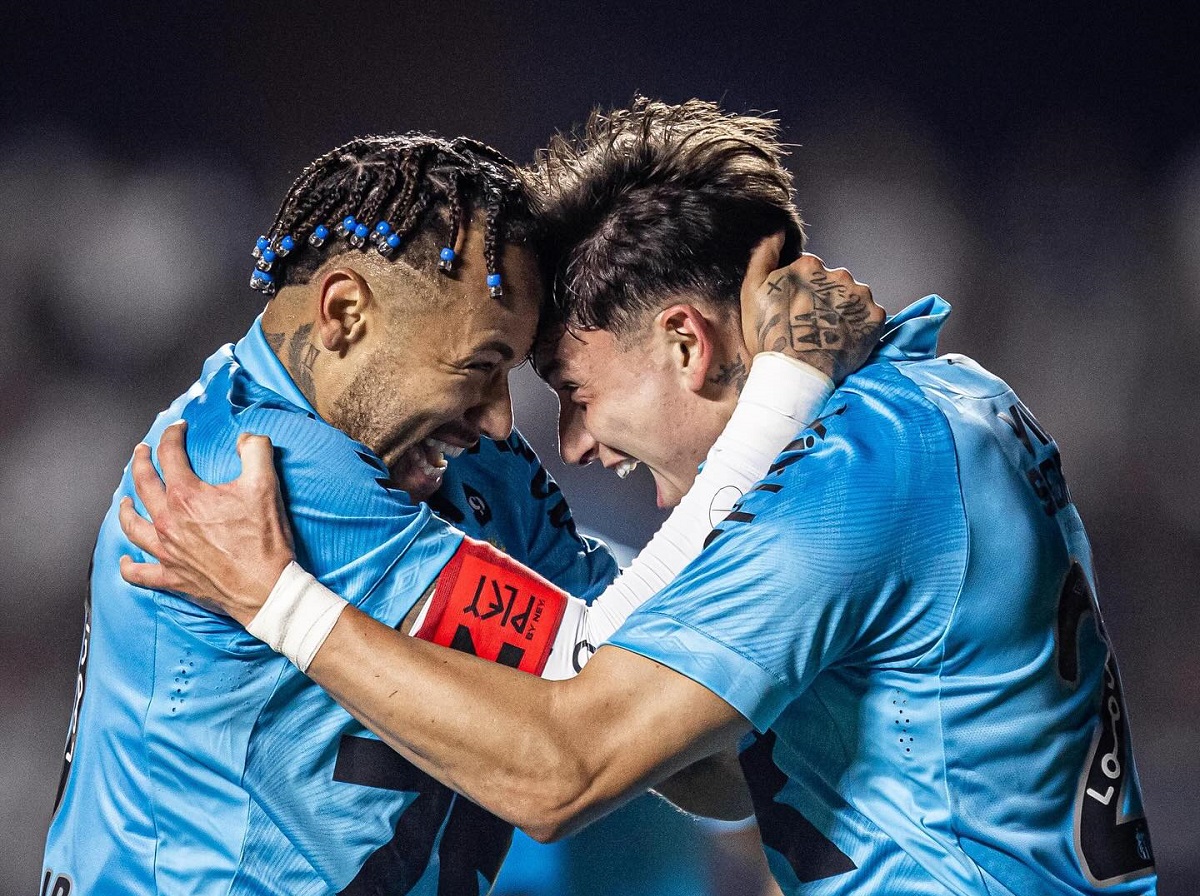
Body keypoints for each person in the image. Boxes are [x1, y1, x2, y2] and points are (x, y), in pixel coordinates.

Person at [122, 98, 1158, 895]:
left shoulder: (849, 477)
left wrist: (274, 596)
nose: (567, 442)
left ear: (683, 341)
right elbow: (715, 766)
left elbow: (568, 759)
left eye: (573, 393)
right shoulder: (954, 398)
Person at [43, 127, 879, 895]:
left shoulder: (475, 469)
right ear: (344, 314)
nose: (500, 420)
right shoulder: (259, 470)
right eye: (479, 364)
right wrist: (783, 394)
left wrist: (680, 716)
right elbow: (572, 752)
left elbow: (678, 722)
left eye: (510, 372)